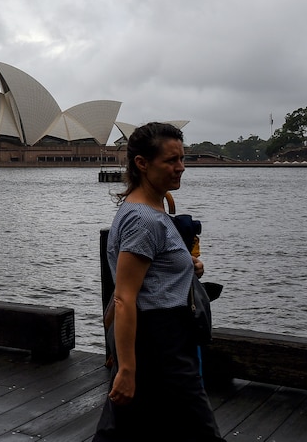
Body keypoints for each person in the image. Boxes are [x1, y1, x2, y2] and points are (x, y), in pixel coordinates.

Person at [93, 122, 225, 442]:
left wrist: (185, 266)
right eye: (171, 161)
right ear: (142, 163)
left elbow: (151, 268)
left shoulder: (146, 208)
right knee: (199, 427)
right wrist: (126, 368)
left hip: (157, 336)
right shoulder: (144, 219)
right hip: (158, 340)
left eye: (182, 159)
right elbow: (124, 297)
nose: (180, 168)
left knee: (126, 426)